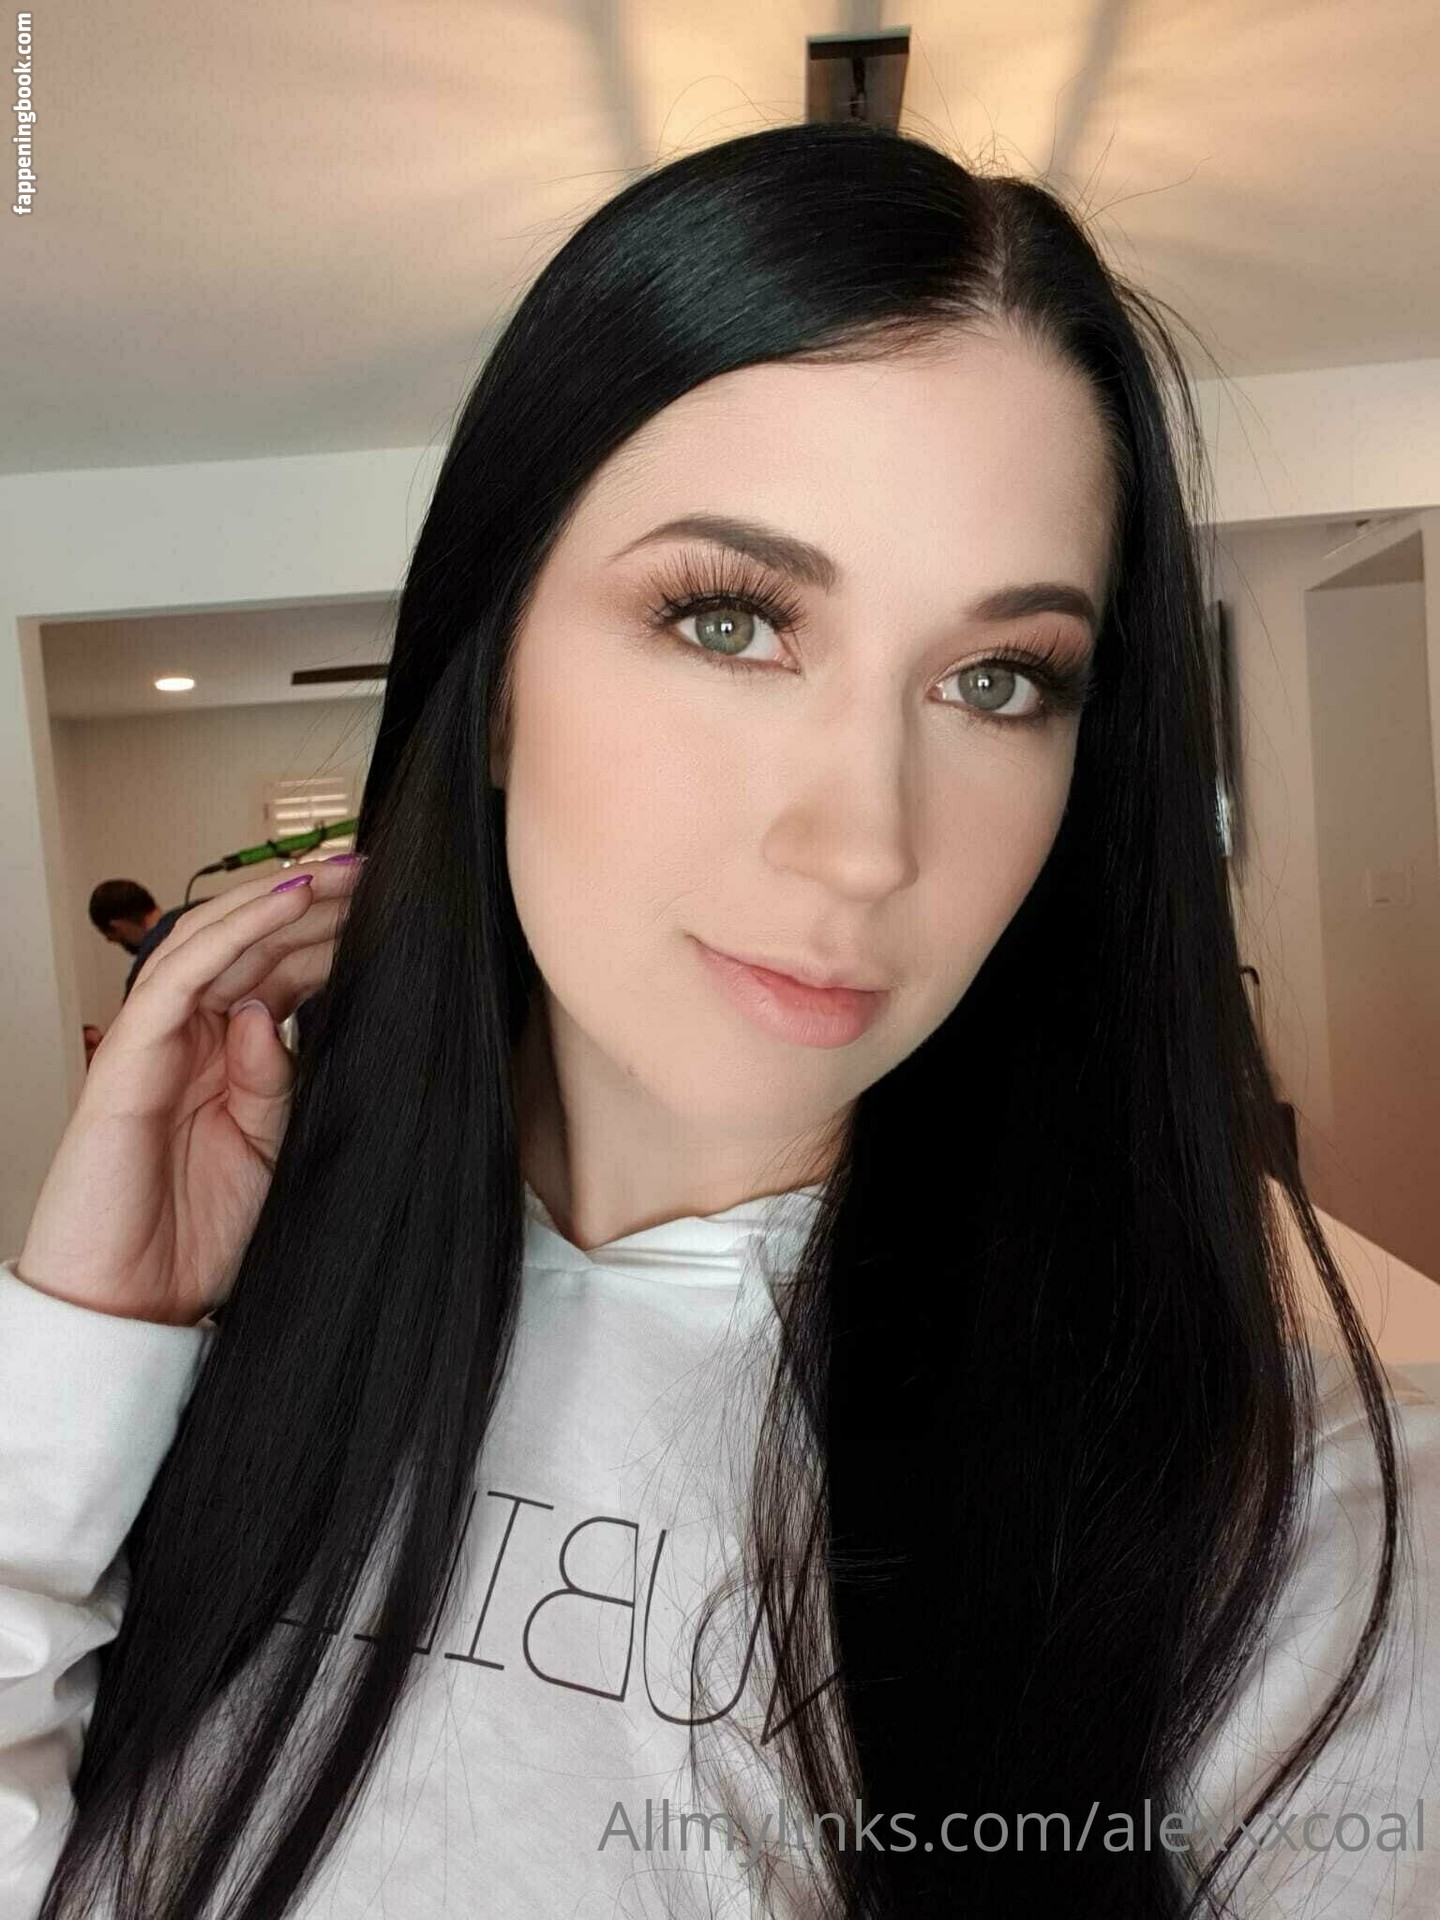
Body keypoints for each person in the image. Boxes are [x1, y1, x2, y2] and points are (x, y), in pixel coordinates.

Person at [2, 122, 1437, 1920]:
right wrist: (85, 1354)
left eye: (999, 679)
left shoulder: (1301, 1534)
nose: (863, 843)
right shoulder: (235, 1333)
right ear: (494, 676)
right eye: (732, 622)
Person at [87, 879, 201, 1000]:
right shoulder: (202, 912)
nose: (110, 941)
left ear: (117, 926)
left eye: (111, 936)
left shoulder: (142, 975)